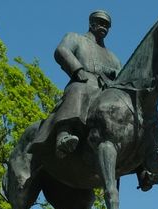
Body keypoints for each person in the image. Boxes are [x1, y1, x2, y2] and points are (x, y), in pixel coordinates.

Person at [30, 10, 122, 157]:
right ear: (91, 24)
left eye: (107, 25)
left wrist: (117, 74)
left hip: (106, 90)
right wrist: (77, 70)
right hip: (84, 81)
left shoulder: (113, 57)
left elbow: (121, 74)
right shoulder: (75, 37)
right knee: (78, 90)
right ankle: (63, 135)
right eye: (100, 23)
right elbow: (62, 50)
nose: (104, 27)